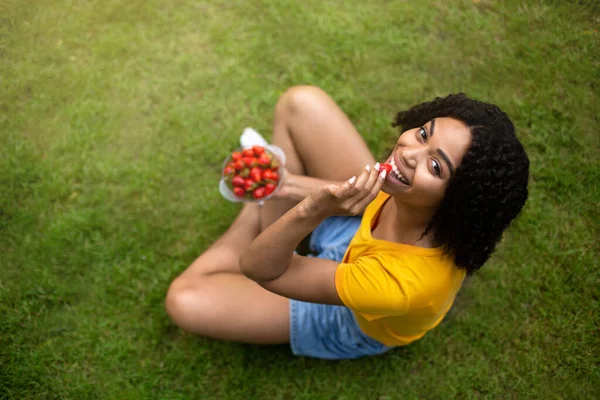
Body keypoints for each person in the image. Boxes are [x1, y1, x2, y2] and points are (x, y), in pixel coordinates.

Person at [165, 86, 529, 359]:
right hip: (356, 236)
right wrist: (286, 184)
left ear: (456, 202)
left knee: (185, 299)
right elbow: (356, 194)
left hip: (350, 310)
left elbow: (263, 270)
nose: (407, 155)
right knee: (300, 103)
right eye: (423, 133)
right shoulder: (406, 188)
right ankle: (270, 204)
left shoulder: (400, 284)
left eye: (435, 166)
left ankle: (254, 215)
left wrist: (310, 209)